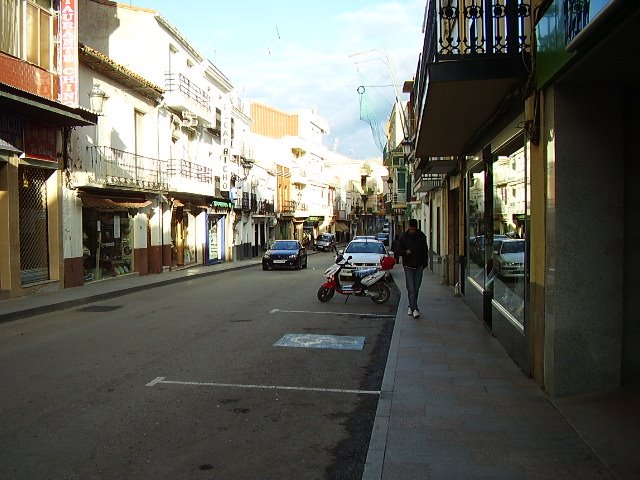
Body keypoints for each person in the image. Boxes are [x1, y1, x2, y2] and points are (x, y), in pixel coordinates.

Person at [398, 219, 429, 318]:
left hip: (419, 266)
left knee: (416, 288)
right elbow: (398, 250)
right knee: (411, 288)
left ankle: (411, 306)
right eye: (410, 229)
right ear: (408, 227)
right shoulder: (404, 237)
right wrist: (405, 252)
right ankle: (415, 309)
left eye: (413, 229)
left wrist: (424, 264)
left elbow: (425, 250)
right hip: (408, 266)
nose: (412, 231)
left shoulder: (422, 236)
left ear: (416, 228)